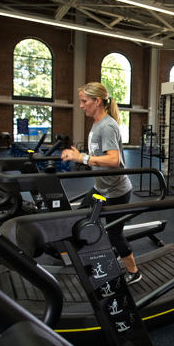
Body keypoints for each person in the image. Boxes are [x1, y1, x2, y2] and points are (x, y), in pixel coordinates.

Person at [61, 82, 142, 285]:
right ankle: (95, 257)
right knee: (79, 217)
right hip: (101, 188)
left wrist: (83, 159)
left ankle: (133, 271)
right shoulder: (97, 124)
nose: (81, 105)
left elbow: (114, 160)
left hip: (116, 192)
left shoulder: (107, 126)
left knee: (115, 233)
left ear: (97, 101)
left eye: (84, 101)